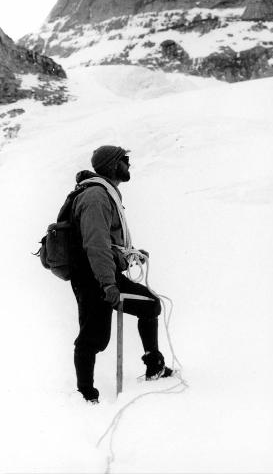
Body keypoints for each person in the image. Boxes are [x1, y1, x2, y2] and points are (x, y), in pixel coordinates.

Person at [70, 145, 173, 403]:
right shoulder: (96, 197)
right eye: (125, 160)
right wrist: (108, 285)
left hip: (102, 273)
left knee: (149, 305)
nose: (129, 164)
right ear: (113, 165)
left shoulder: (104, 194)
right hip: (94, 277)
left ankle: (154, 365)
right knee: (94, 336)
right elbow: (95, 245)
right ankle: (86, 395)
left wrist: (130, 254)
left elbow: (106, 243)